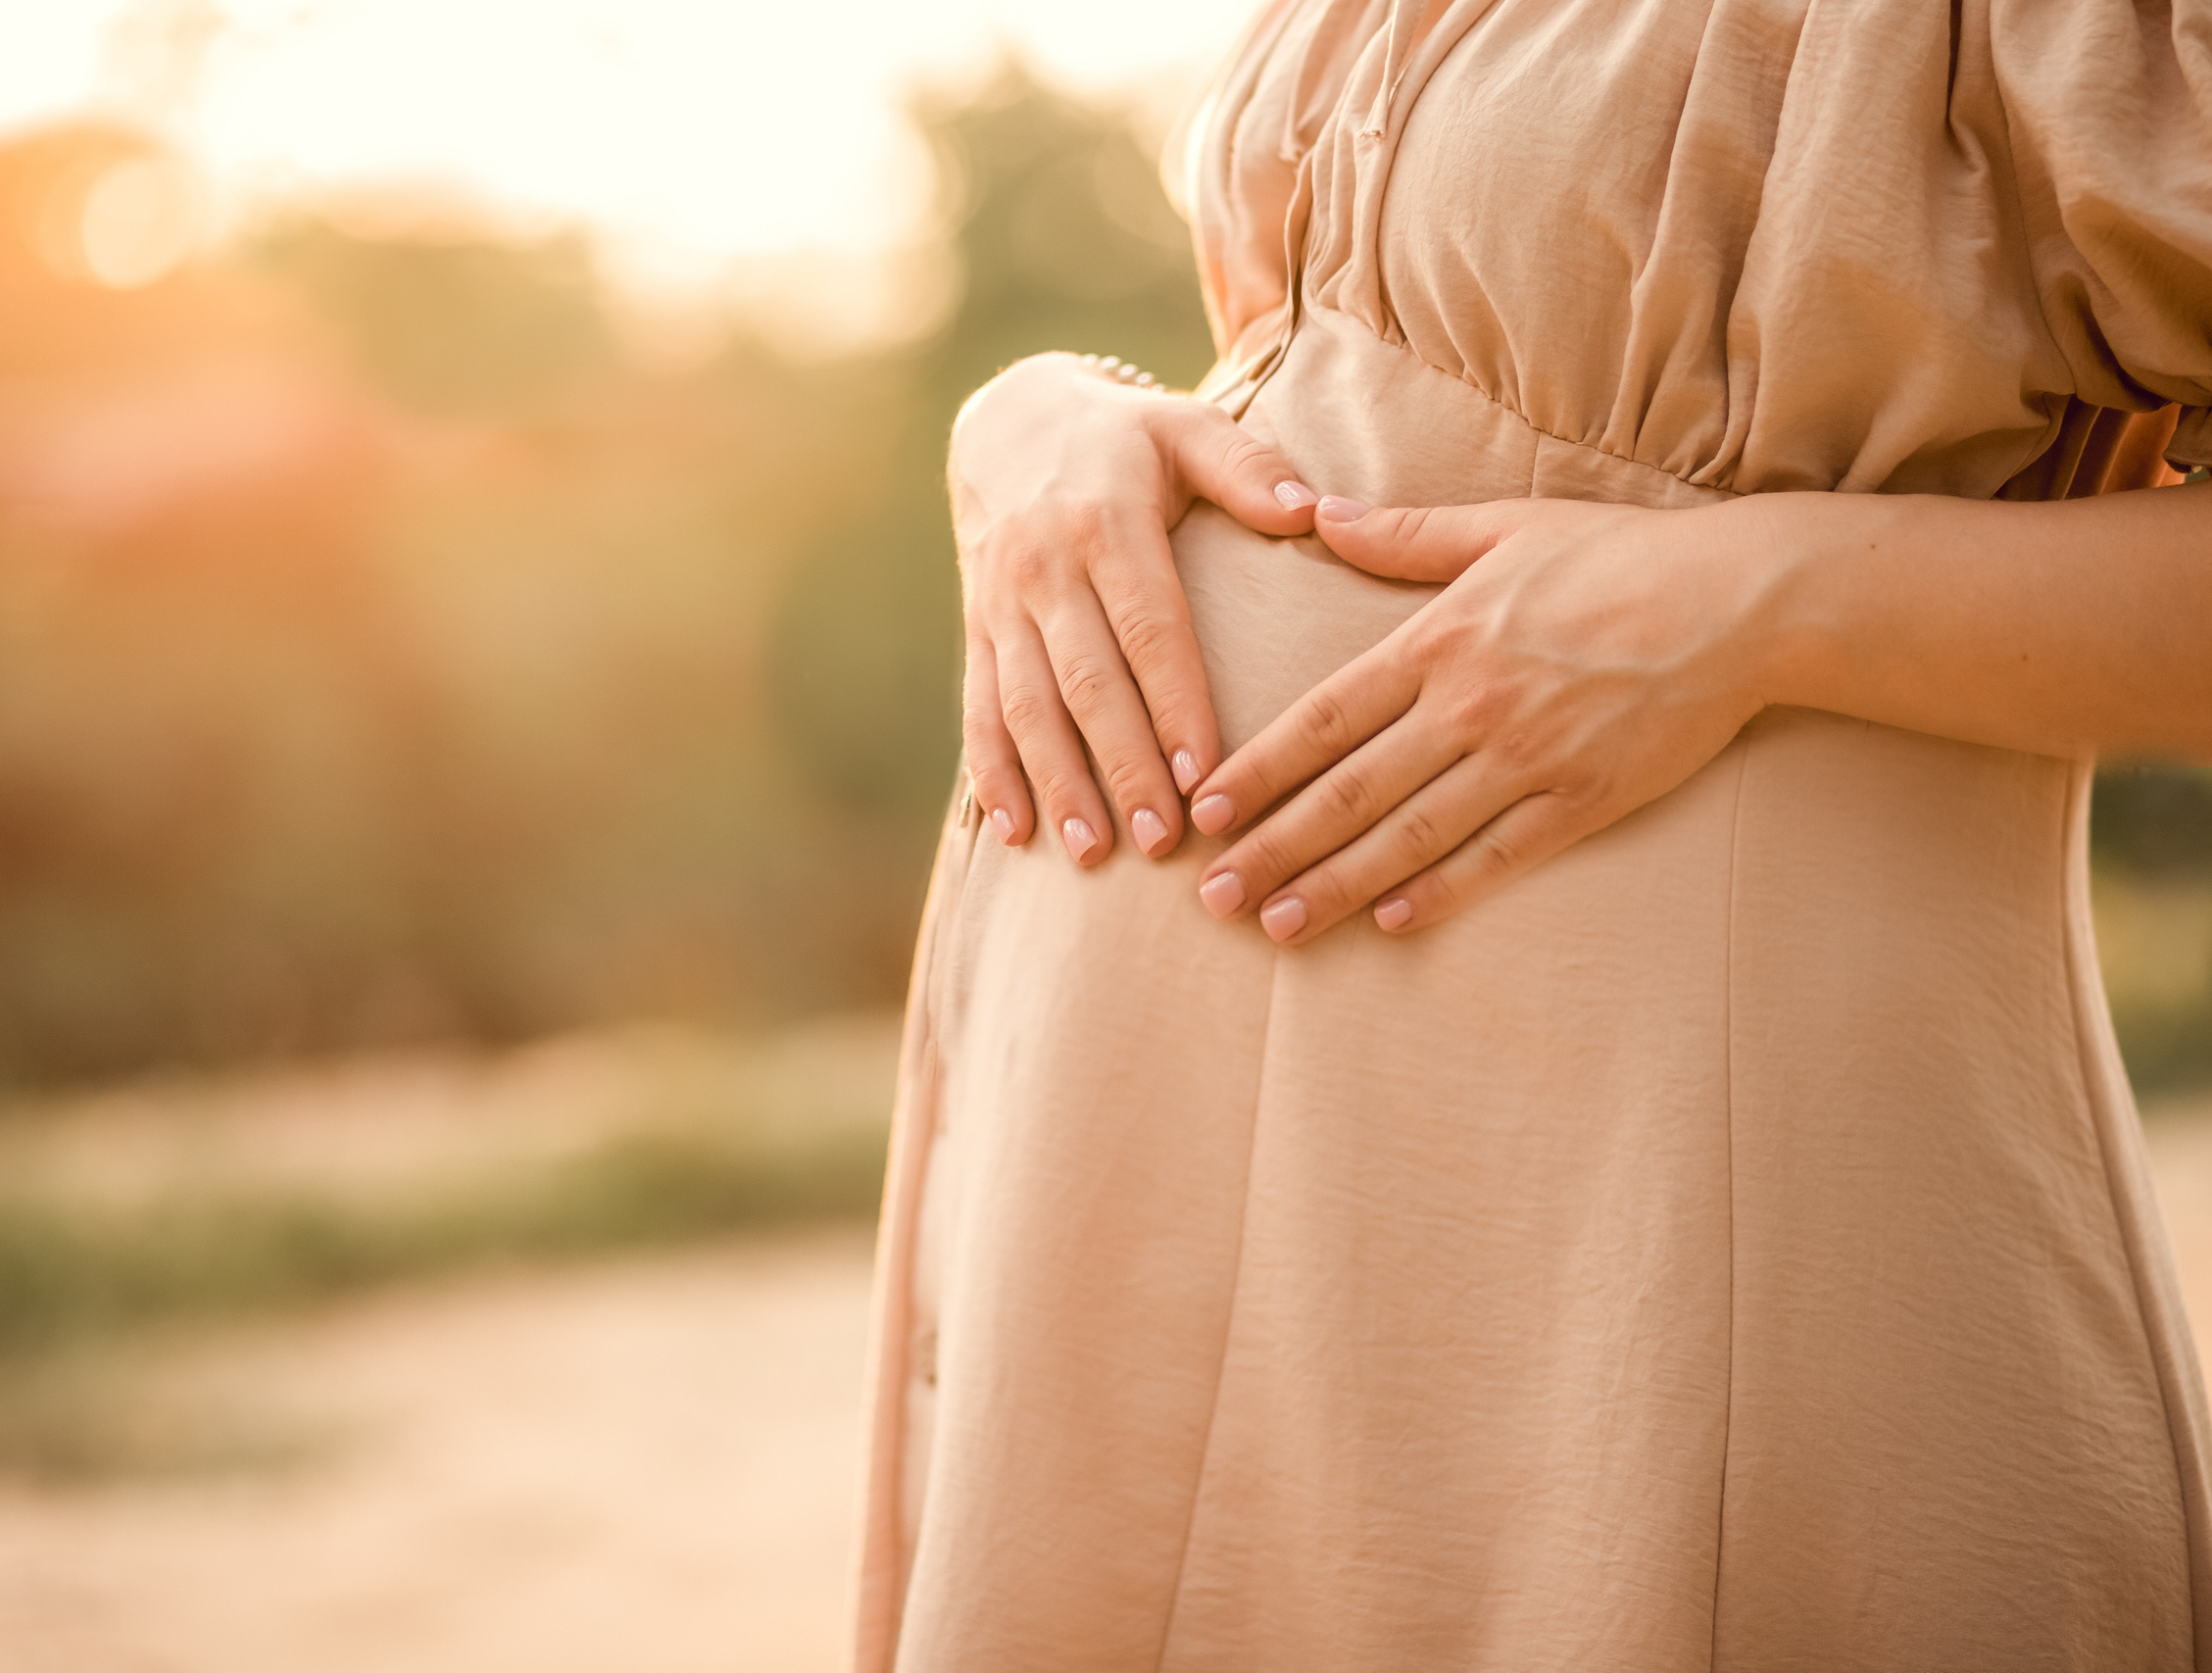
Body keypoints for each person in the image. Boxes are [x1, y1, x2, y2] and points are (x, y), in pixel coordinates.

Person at [850, 1, 2212, 1667]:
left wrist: (1759, 604)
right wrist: (1042, 420)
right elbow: (1349, 380)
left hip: (1656, 1230)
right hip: (1114, 1182)